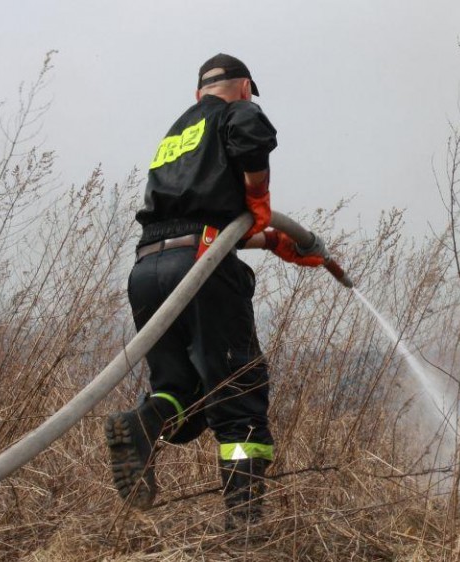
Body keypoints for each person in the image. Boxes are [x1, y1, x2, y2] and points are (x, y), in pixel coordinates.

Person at [105, 53, 323, 522]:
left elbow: (199, 215)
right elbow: (253, 137)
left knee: (182, 388)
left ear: (197, 92)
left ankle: (144, 422)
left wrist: (272, 240)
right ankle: (244, 525)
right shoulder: (236, 110)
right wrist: (259, 198)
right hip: (200, 265)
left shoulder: (178, 134)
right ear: (243, 87)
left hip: (149, 268)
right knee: (239, 393)